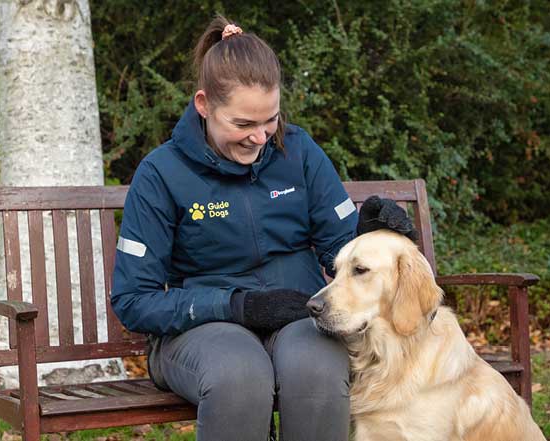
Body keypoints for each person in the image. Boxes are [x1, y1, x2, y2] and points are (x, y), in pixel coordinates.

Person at [111, 15, 414, 441]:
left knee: (319, 372)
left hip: (297, 318)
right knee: (240, 376)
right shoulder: (162, 173)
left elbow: (342, 249)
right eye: (243, 124)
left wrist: (377, 234)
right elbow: (133, 299)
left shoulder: (299, 151)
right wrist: (236, 306)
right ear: (204, 105)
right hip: (199, 332)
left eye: (269, 120)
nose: (259, 137)